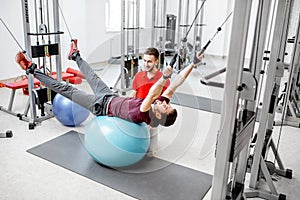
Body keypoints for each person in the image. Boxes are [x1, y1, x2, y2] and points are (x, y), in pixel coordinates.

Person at [15, 39, 203, 127]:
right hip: (111, 96)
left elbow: (154, 92)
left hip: (100, 107)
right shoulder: (158, 104)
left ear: (159, 116)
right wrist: (193, 63)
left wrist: (163, 77)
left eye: (164, 107)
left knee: (66, 89)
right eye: (166, 104)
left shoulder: (146, 115)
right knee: (92, 76)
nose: (163, 103)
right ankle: (75, 56)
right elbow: (176, 83)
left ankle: (32, 70)